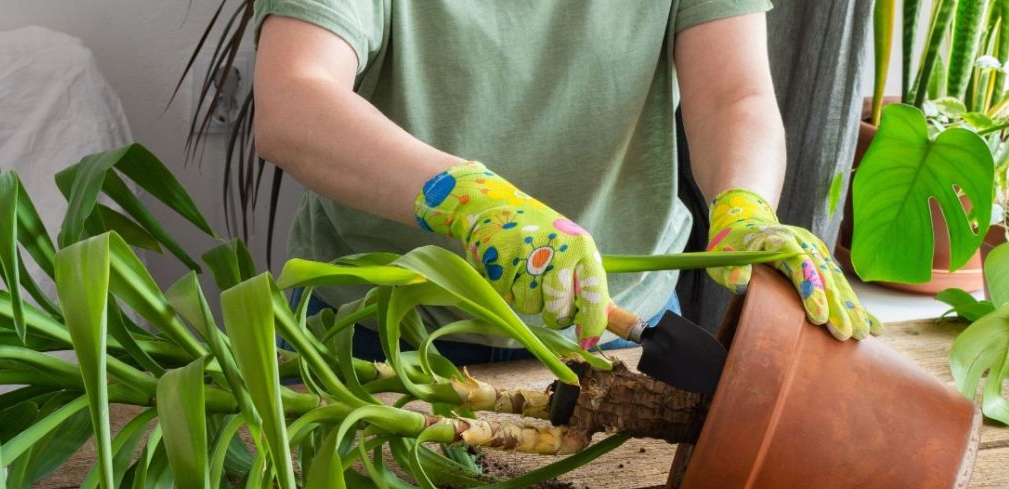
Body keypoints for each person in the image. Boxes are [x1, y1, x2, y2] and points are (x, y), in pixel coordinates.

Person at [252, 1, 880, 365]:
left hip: (620, 339)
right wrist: (463, 201)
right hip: (374, 342)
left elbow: (734, 94)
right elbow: (293, 98)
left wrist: (744, 204)